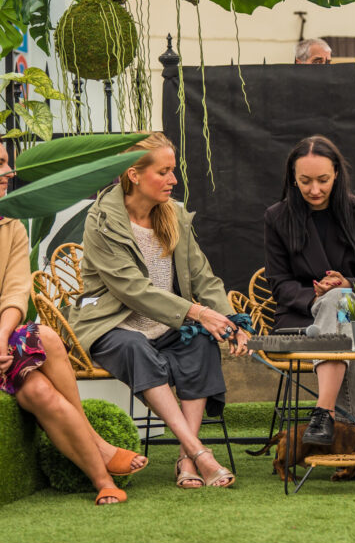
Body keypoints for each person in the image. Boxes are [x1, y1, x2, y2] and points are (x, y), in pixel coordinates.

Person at [0, 128, 147, 505]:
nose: (10, 171)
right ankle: (99, 448)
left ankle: (102, 482)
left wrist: (2, 339)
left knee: (37, 388)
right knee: (46, 341)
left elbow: (16, 294)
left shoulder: (11, 226)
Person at [67, 132, 248, 489]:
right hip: (111, 325)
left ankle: (185, 458)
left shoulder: (174, 215)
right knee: (135, 346)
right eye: (163, 172)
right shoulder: (101, 220)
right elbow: (131, 290)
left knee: (201, 344)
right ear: (134, 175)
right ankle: (199, 452)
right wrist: (198, 313)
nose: (173, 179)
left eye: (172, 170)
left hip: (167, 325)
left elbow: (202, 276)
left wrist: (231, 321)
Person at [263, 135, 355, 445]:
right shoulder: (277, 217)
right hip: (301, 320)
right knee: (339, 312)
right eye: (305, 181)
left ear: (337, 175)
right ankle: (354, 434)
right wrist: (316, 298)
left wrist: (347, 285)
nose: (314, 189)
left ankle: (324, 412)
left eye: (323, 180)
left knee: (343, 308)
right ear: (293, 177)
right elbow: (279, 283)